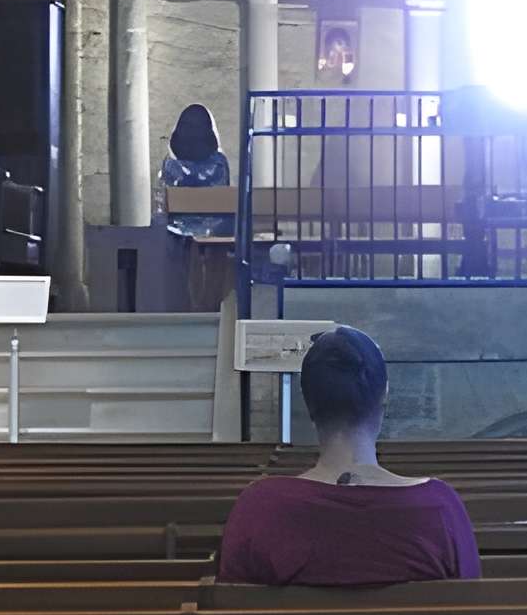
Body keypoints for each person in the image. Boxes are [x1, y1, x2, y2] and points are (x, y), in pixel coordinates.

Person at [219, 326, 482, 588]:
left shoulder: (260, 509)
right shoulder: (439, 509)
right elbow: (470, 612)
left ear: (309, 403)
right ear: (384, 398)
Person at [159, 104, 233, 312]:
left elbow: (165, 200)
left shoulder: (170, 163)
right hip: (215, 227)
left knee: (185, 260)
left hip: (179, 229)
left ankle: (189, 304)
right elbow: (223, 193)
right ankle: (212, 304)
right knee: (215, 258)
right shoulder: (220, 162)